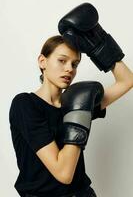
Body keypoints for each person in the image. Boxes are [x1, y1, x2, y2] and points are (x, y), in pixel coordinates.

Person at [9, 34, 133, 197]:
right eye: (62, 60)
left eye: (75, 64)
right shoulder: (25, 104)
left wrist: (99, 43)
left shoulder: (77, 101)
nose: (70, 69)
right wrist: (79, 112)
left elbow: (126, 80)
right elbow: (64, 173)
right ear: (42, 61)